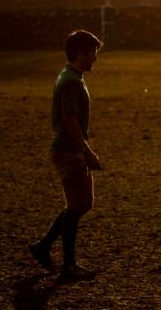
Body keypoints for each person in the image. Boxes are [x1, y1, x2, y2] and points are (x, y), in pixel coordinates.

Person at [30, 29, 103, 280]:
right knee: (77, 205)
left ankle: (44, 246)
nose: (95, 58)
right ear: (81, 52)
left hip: (70, 148)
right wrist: (87, 151)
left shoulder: (71, 76)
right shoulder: (71, 81)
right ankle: (68, 265)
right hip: (68, 150)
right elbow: (69, 120)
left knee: (83, 203)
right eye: (93, 53)